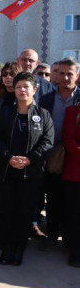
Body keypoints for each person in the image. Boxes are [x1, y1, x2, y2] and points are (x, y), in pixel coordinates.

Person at [0, 72, 53, 266]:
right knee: (7, 211)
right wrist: (9, 158)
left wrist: (29, 159)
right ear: (14, 90)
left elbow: (47, 142)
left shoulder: (43, 115)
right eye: (19, 87)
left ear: (34, 90)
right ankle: (7, 247)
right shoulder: (5, 113)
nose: (22, 90)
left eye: (26, 86)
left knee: (24, 212)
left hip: (31, 174)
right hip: (7, 172)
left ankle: (20, 248)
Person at [39, 58, 80, 243]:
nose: (65, 78)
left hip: (75, 159)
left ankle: (69, 236)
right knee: (53, 197)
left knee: (72, 200)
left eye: (69, 74)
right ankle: (53, 232)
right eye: (61, 73)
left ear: (77, 76)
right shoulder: (46, 99)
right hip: (52, 156)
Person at [62, 102, 80, 267]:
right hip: (75, 173)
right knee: (75, 215)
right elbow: (68, 139)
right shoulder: (72, 111)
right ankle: (75, 252)